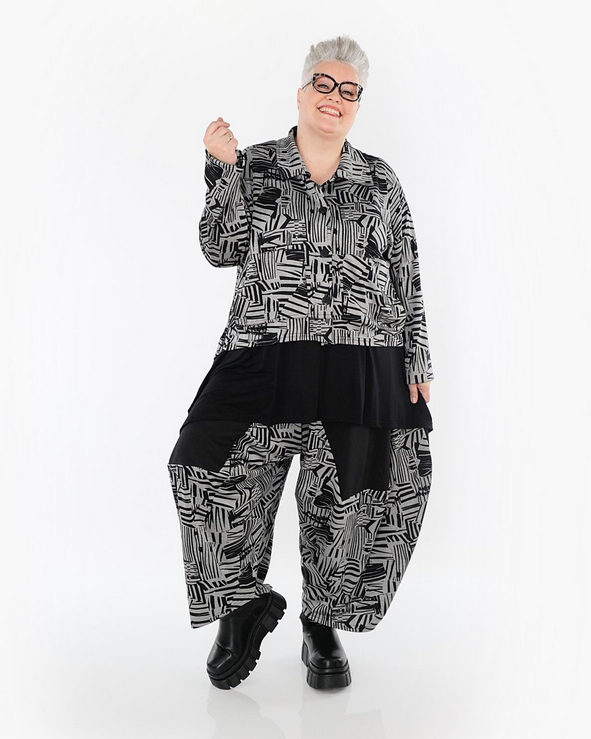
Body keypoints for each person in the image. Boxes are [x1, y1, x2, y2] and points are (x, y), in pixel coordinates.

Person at [167, 35, 435, 691]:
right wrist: (221, 169)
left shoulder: (380, 182)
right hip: (264, 352)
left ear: (357, 104)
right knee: (202, 466)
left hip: (360, 359)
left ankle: (323, 622)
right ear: (301, 91)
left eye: (349, 91)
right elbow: (219, 246)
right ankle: (241, 604)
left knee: (347, 498)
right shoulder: (255, 164)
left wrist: (418, 355)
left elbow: (405, 272)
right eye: (324, 84)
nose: (334, 97)